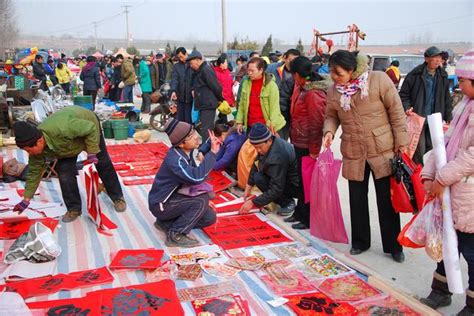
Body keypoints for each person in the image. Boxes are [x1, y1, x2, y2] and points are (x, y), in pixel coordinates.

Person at [323, 50, 408, 263]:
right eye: (332, 72)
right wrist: (329, 131)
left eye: (338, 72)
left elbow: (396, 112)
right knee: (357, 199)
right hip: (353, 150)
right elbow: (331, 116)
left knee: (386, 201)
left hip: (382, 149)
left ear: (352, 70)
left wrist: (401, 143)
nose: (334, 77)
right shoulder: (334, 91)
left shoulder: (378, 80)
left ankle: (393, 246)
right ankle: (360, 242)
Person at [419, 50, 474, 314]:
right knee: (445, 244)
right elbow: (446, 143)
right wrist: (430, 173)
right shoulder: (464, 105)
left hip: (469, 194)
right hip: (452, 190)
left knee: (471, 252)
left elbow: (471, 156)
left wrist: (442, 177)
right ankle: (440, 291)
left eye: (462, 80)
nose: (458, 84)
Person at [12, 106, 127, 223]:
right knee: (64, 173)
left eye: (29, 150)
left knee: (102, 162)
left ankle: (117, 197)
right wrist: (26, 199)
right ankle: (74, 209)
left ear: (39, 141)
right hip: (66, 146)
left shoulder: (63, 128)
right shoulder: (36, 152)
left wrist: (92, 152)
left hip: (88, 126)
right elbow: (33, 173)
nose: (29, 153)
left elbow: (90, 128)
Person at [148, 118, 220, 247]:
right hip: (162, 205)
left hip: (175, 198)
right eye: (191, 136)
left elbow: (194, 181)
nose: (196, 137)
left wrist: (209, 196)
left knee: (209, 217)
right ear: (181, 143)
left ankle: (165, 223)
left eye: (194, 133)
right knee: (201, 200)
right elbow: (195, 178)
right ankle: (175, 234)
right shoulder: (175, 159)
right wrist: (213, 153)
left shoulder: (187, 152)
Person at [283, 56, 329, 229]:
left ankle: (307, 218)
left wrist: (314, 149)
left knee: (308, 182)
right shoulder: (300, 86)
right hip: (298, 139)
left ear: (297, 74)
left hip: (307, 144)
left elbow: (317, 123)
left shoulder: (313, 92)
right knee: (301, 180)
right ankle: (299, 213)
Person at [399, 46, 453, 164]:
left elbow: (446, 97)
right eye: (434, 57)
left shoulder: (443, 75)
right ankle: (417, 174)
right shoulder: (415, 75)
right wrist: (407, 107)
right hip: (419, 117)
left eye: (439, 58)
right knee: (419, 148)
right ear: (427, 59)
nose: (438, 60)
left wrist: (448, 114)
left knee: (431, 146)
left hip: (435, 118)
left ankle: (420, 171)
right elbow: (403, 94)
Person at [239, 123, 299, 215]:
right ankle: (281, 199)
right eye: (255, 148)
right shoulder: (268, 145)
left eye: (259, 147)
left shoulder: (278, 155)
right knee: (258, 177)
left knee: (264, 181)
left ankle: (287, 202)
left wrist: (253, 202)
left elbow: (276, 188)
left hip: (294, 185)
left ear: (269, 140)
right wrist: (247, 188)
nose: (258, 150)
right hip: (282, 177)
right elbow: (256, 164)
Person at [235, 57, 286, 135]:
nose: (249, 73)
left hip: (266, 127)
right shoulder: (246, 83)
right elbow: (242, 104)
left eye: (252, 71)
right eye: (248, 70)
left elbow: (274, 110)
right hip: (250, 126)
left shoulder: (271, 86)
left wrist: (270, 126)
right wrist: (239, 122)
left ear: (261, 70)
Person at [188, 50, 225, 142]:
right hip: (203, 104)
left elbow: (216, 86)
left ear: (197, 60)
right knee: (205, 127)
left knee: (207, 129)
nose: (191, 65)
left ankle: (207, 149)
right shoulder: (199, 71)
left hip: (208, 104)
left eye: (191, 63)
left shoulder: (206, 70)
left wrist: (221, 99)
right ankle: (207, 146)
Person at [272, 48, 302, 140]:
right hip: (274, 111)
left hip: (289, 112)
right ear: (284, 58)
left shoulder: (299, 73)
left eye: (296, 61)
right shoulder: (273, 69)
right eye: (291, 60)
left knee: (284, 138)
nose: (293, 63)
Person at [170, 47, 193, 123]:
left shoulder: (192, 64)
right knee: (181, 121)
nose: (180, 59)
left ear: (186, 54)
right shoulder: (176, 66)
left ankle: (190, 134)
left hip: (191, 98)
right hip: (180, 98)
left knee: (189, 120)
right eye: (179, 57)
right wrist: (173, 91)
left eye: (181, 57)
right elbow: (174, 79)